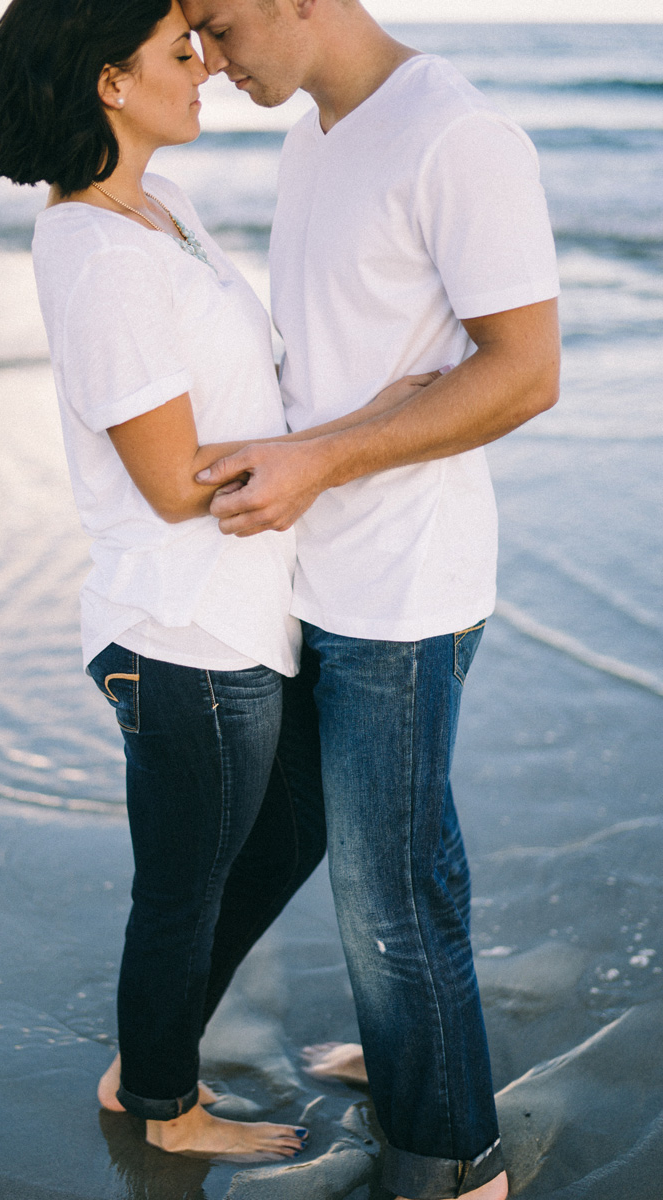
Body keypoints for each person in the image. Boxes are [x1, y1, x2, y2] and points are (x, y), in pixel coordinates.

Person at [0, 0, 440, 1163]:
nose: (207, 67)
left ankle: (156, 1045)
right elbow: (175, 483)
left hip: (238, 620)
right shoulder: (89, 247)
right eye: (179, 52)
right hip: (177, 630)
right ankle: (162, 1108)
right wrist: (352, 441)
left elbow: (242, 407)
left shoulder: (160, 210)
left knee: (282, 837)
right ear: (106, 84)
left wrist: (357, 424)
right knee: (180, 887)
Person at [182, 0, 561, 1196]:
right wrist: (306, 444)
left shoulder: (456, 138)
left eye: (219, 25)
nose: (206, 57)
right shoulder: (315, 134)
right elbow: (349, 367)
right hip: (311, 569)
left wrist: (321, 457)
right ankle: (405, 1053)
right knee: (297, 837)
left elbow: (525, 372)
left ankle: (456, 1159)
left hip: (401, 587)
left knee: (392, 892)